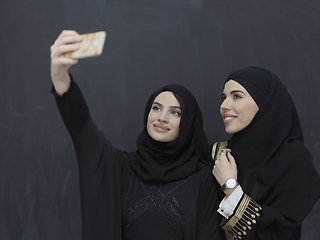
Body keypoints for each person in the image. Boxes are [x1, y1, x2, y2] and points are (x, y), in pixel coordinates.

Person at [50, 30, 224, 240]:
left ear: (188, 124)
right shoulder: (122, 167)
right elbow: (82, 130)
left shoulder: (203, 177)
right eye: (156, 108)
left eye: (175, 112)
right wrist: (60, 77)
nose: (161, 117)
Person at [211, 66, 320, 240]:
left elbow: (275, 234)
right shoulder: (219, 156)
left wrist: (230, 186)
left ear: (264, 103)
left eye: (236, 96)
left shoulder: (295, 162)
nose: (224, 106)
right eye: (223, 98)